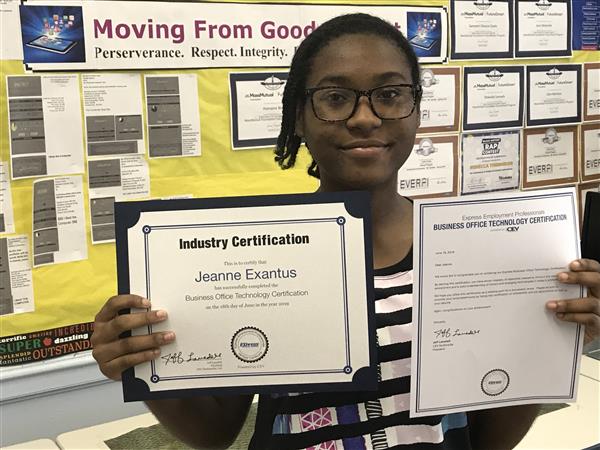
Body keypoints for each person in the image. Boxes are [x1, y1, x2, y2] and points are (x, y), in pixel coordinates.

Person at [91, 13, 600, 450]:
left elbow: (488, 440)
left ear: (416, 110)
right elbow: (215, 434)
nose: (364, 118)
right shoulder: (250, 253)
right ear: (298, 118)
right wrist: (139, 363)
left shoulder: (471, 253)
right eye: (335, 98)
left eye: (390, 94)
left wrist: (550, 342)